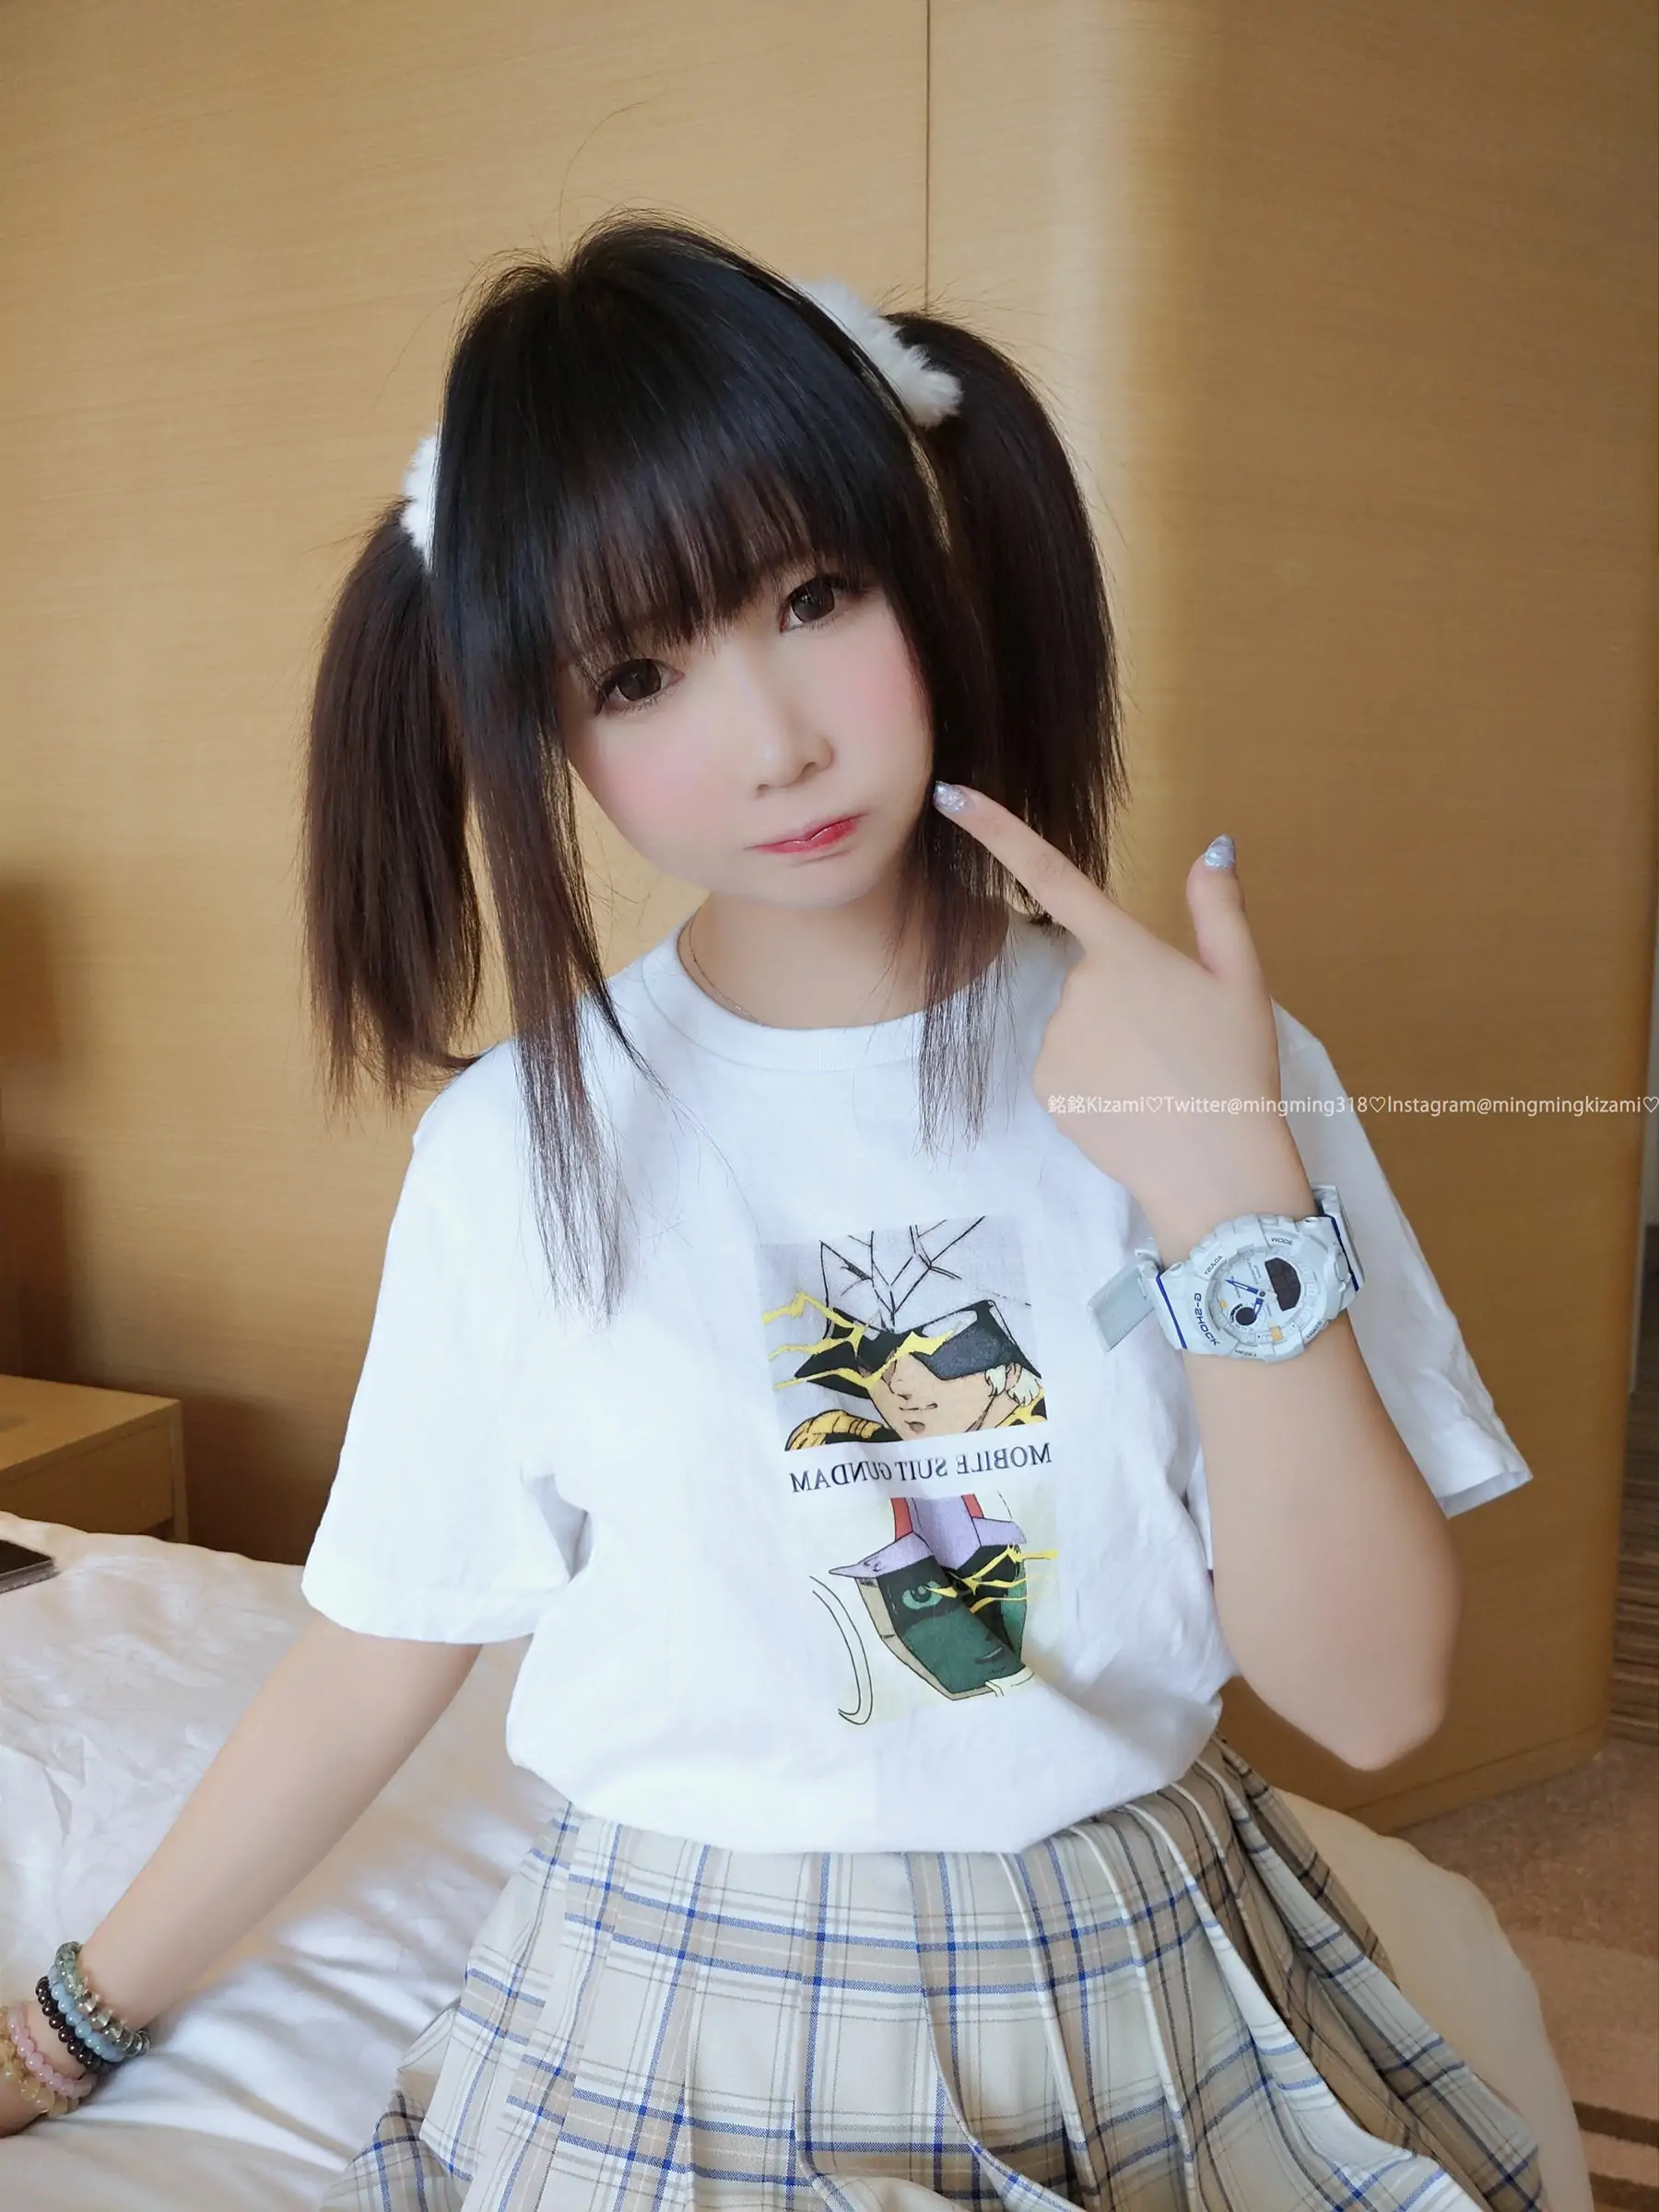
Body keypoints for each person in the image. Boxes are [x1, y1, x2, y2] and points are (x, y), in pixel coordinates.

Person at [0, 211, 1548, 2210]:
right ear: (546, 732)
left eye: (818, 595)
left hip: (1126, 1944)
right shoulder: (512, 1154)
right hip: (679, 1985)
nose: (775, 741)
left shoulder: (1203, 1056)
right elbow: (378, 1648)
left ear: (930, 566)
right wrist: (71, 2022)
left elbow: (1372, 1698)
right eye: (638, 673)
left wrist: (1226, 1190)